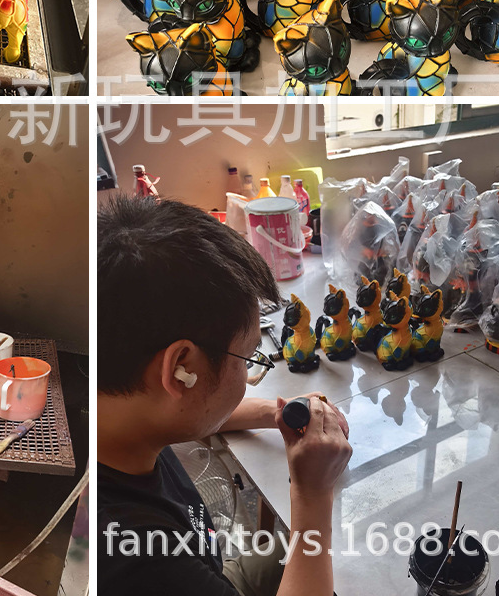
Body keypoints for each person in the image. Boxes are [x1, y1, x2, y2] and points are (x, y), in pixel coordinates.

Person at [98, 195, 352, 596]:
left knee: (301, 554)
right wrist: (313, 495)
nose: (248, 370)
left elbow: (184, 408)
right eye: (247, 357)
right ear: (181, 369)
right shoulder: (140, 563)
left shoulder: (119, 415)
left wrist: (274, 412)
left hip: (205, 565)